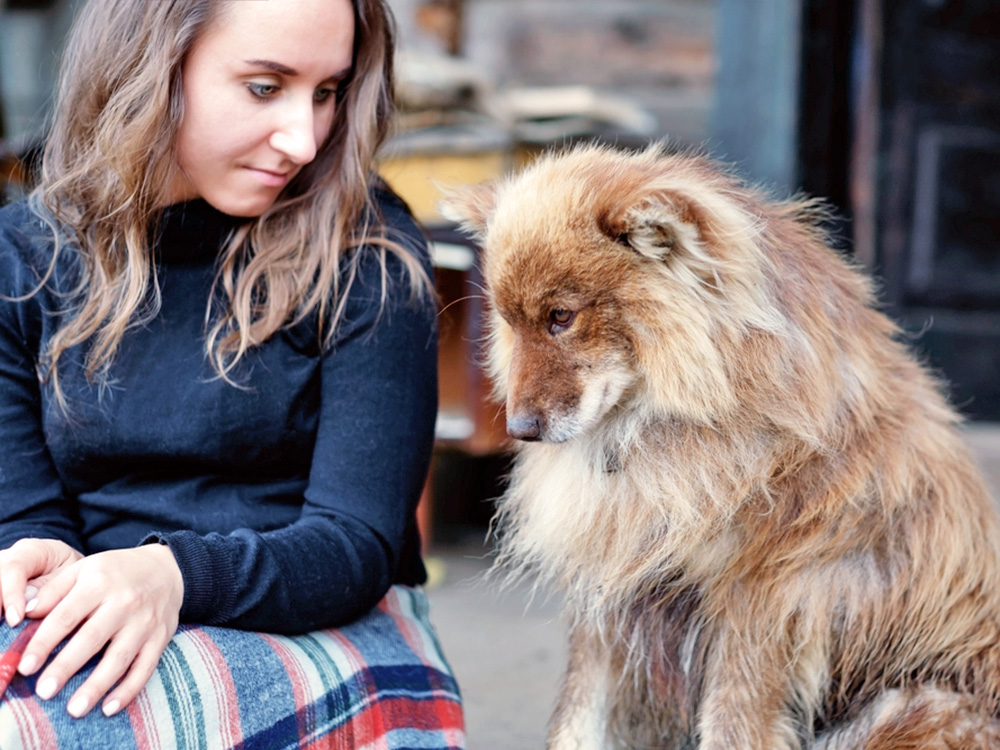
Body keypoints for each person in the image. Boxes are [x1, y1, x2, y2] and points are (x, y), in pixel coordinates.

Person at [0, 0, 464, 746]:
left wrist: (169, 576)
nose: (305, 139)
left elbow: (356, 544)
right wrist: (31, 554)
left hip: (317, 612)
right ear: (146, 68)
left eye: (327, 92)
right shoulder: (22, 260)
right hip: (98, 597)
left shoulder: (368, 252)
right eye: (263, 86)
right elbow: (26, 515)